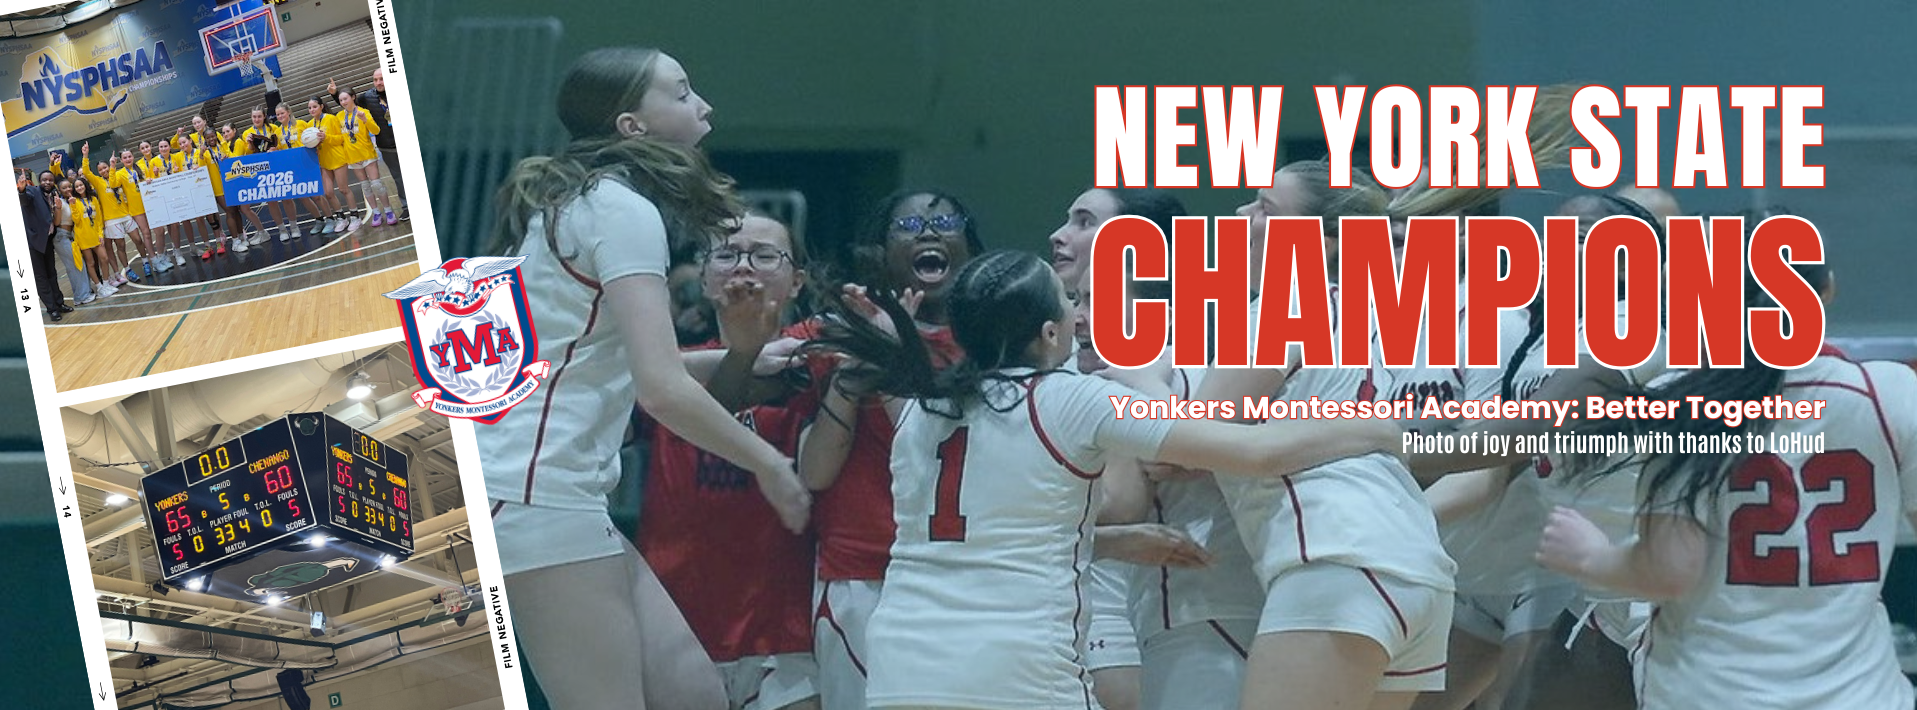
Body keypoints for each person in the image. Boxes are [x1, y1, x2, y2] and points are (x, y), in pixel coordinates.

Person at [803, 249, 1404, 710]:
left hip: (900, 665)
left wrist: (1109, 542)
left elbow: (985, 526)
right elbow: (1249, 449)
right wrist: (1371, 429)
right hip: (1018, 666)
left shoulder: (915, 409)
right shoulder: (1074, 399)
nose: (1077, 311)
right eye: (1067, 299)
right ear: (1049, 334)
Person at [474, 46, 809, 710]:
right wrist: (770, 464)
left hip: (548, 493)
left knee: (695, 699)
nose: (704, 106)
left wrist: (727, 362)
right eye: (682, 93)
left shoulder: (577, 202)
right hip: (532, 497)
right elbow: (658, 390)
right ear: (632, 125)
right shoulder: (622, 211)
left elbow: (587, 361)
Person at [1536, 256, 1917, 710]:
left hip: (1712, 690)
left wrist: (1590, 555)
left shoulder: (1683, 402)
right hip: (1860, 695)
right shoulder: (1889, 390)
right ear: (1826, 289)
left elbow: (1668, 573)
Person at [797, 189, 980, 710]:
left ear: (969, 243)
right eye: (908, 226)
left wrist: (892, 356)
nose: (928, 231)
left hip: (969, 573)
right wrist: (854, 375)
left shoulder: (997, 342)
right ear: (880, 250)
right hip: (864, 573)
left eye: (946, 219)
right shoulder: (840, 331)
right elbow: (815, 473)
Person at [638, 214, 823, 710]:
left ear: (797, 281)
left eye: (764, 256)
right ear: (702, 277)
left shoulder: (818, 359)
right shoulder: (664, 372)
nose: (744, 268)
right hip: (678, 627)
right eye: (727, 254)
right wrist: (740, 355)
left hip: (787, 635)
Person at [330, 88, 397, 228]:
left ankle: (388, 211)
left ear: (353, 97)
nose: (343, 102)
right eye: (341, 100)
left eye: (345, 99)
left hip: (367, 154)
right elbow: (338, 137)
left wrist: (365, 120)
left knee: (377, 184)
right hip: (352, 157)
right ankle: (376, 213)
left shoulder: (363, 112)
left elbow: (376, 131)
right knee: (365, 186)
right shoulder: (339, 117)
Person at [353, 72, 409, 221]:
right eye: (375, 80)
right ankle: (406, 206)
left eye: (382, 79)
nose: (378, 82)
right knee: (398, 177)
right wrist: (335, 94)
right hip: (387, 146)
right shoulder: (367, 97)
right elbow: (349, 102)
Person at [17, 167, 67, 320]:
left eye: (50, 180)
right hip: (34, 242)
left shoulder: (53, 194)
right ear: (40, 181)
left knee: (52, 273)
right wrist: (22, 189)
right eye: (45, 179)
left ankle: (59, 303)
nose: (47, 182)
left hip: (47, 240)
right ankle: (51, 309)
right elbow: (24, 199)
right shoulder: (32, 191)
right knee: (41, 277)